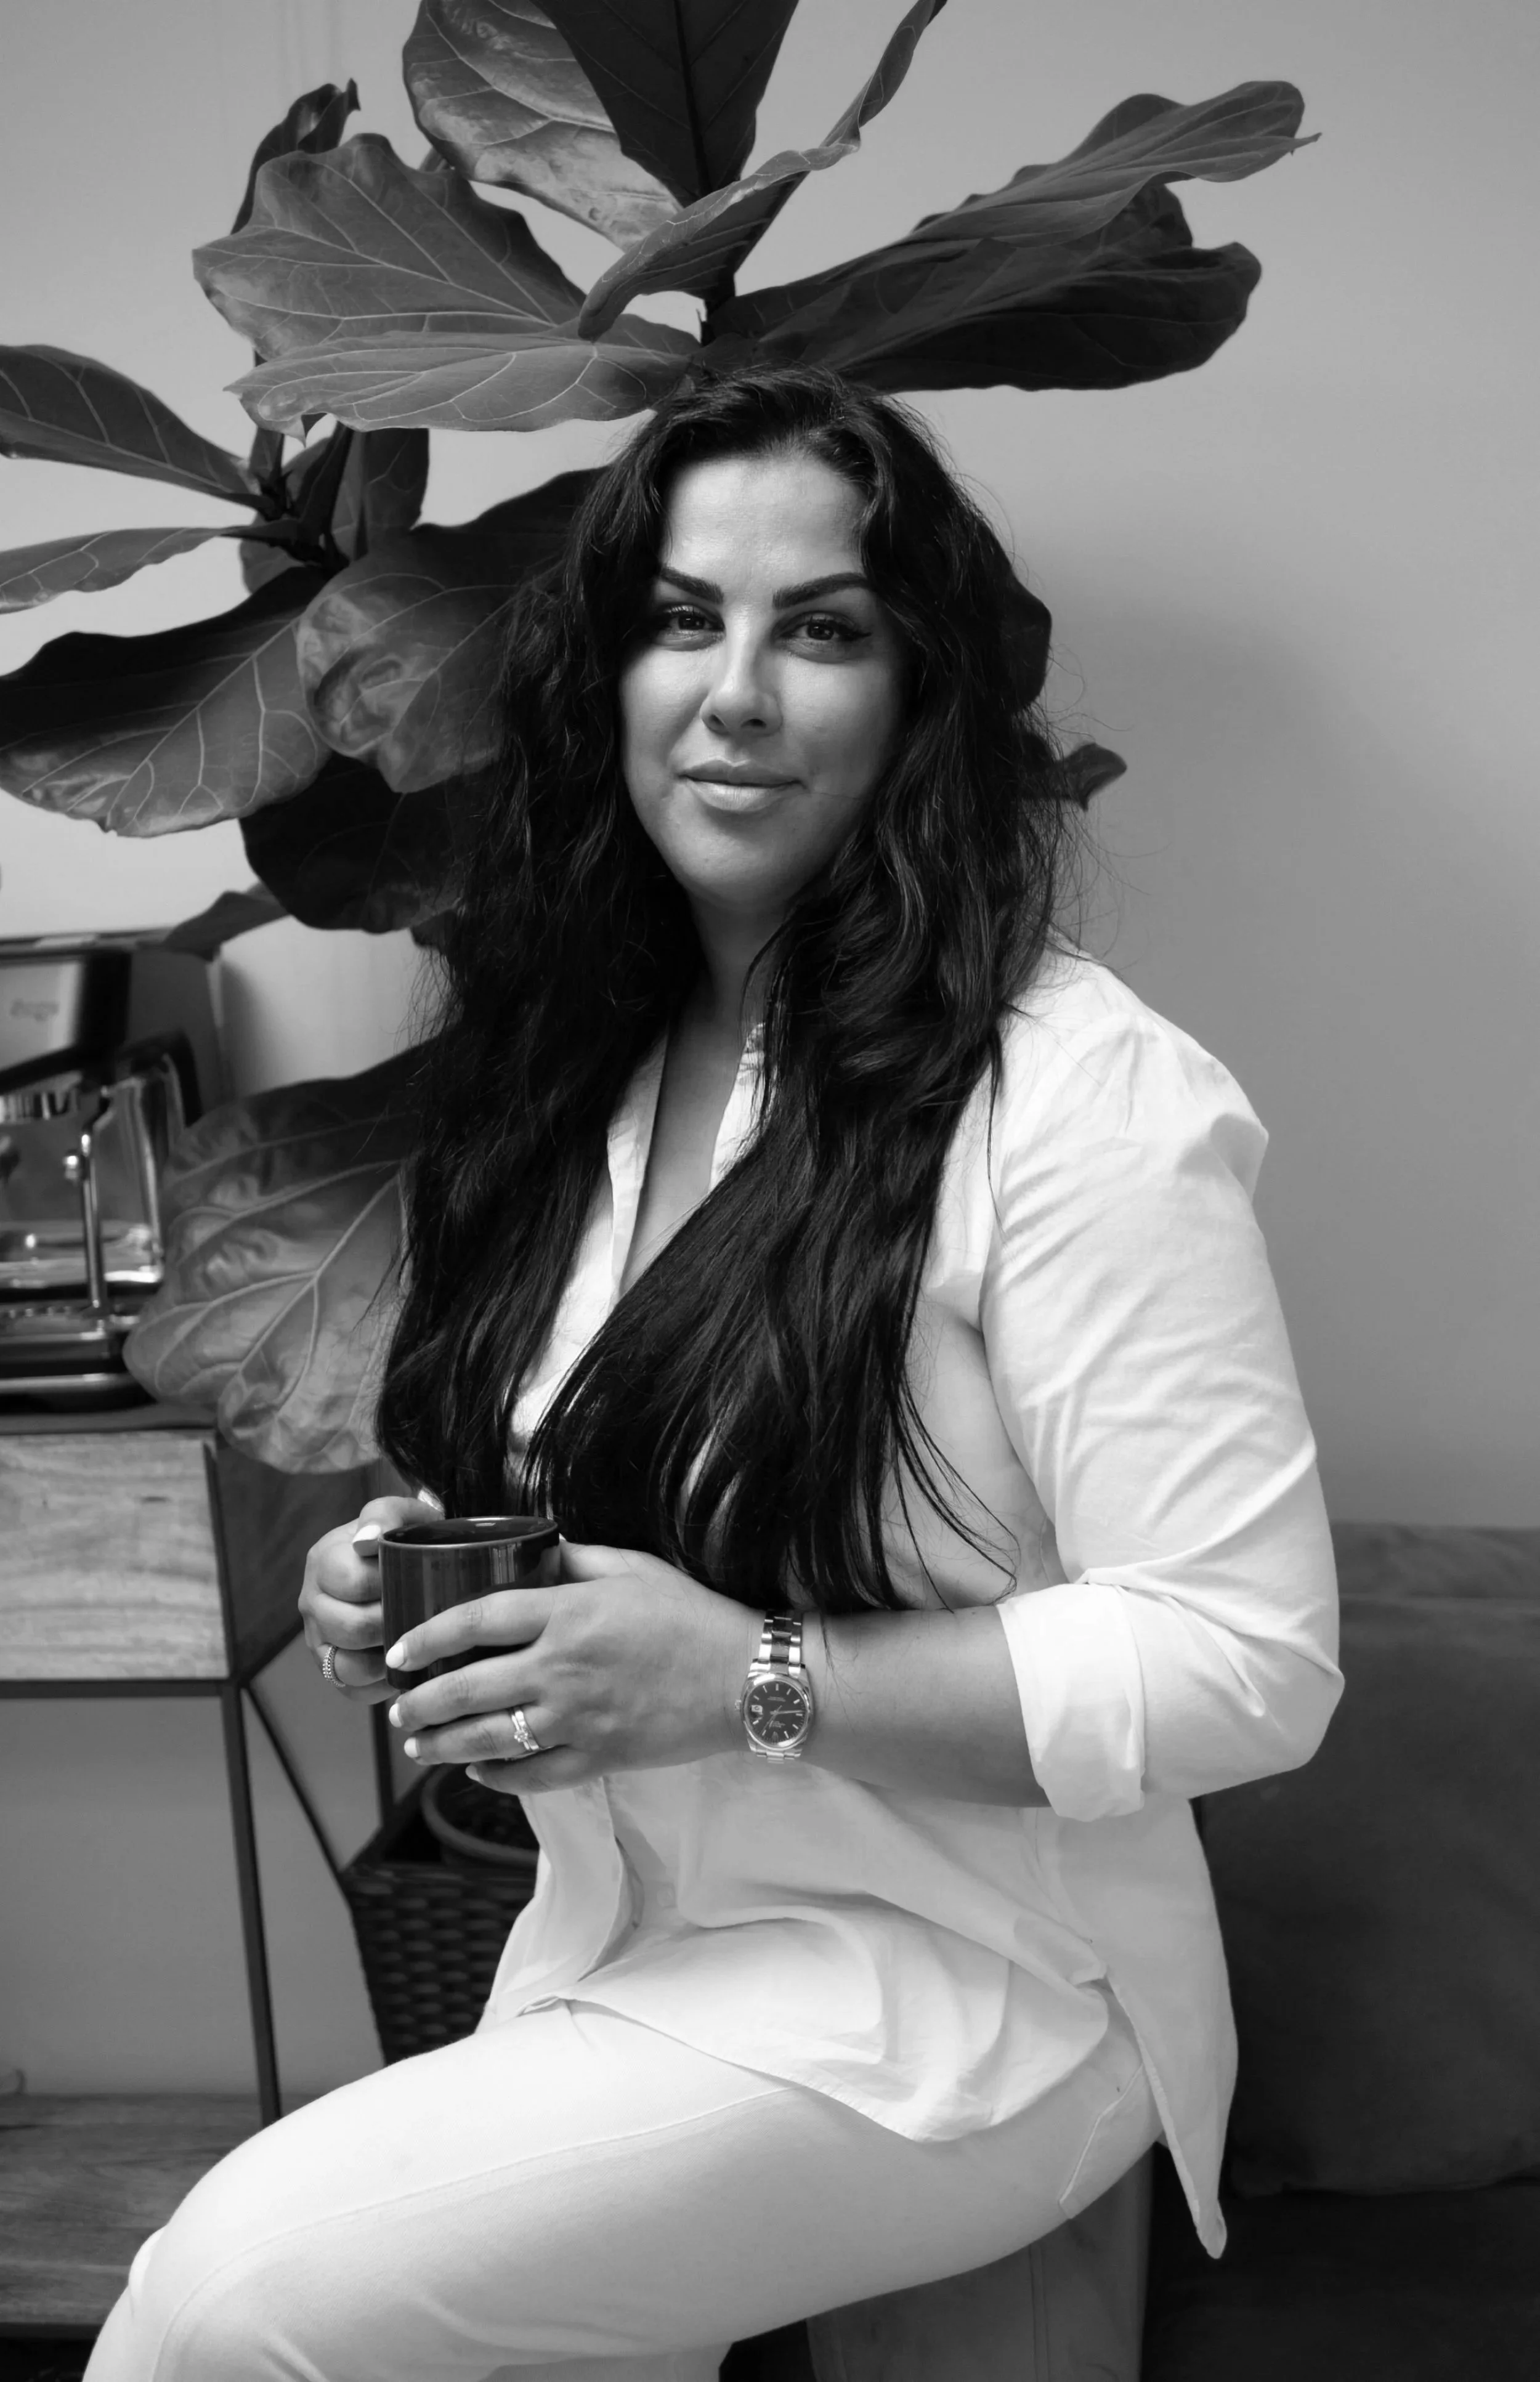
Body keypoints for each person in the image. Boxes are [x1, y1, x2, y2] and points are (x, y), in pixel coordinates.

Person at [86, 365, 1341, 2382]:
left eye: (820, 629)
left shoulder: (1082, 1097)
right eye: (682, 619)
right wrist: (423, 1585)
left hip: (965, 1996)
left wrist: (746, 1678)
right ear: (605, 677)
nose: (736, 693)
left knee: (228, 2304)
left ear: (919, 697)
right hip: (618, 1948)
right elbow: (629, 1496)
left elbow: (1246, 1661)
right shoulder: (570, 1060)